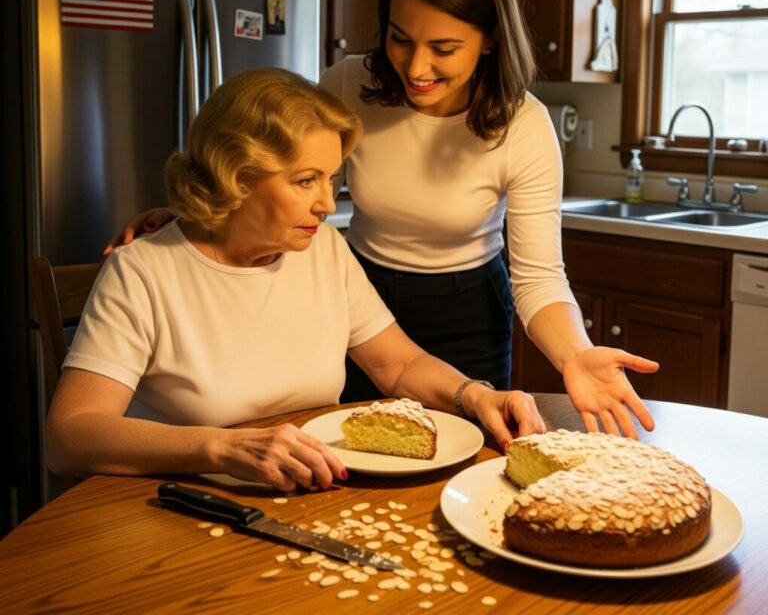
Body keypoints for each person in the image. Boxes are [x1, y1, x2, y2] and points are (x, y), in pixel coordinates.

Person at [104, 0, 659, 439]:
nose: (415, 67)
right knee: (351, 447)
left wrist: (574, 354)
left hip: (467, 308)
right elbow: (283, 176)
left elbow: (538, 277)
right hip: (360, 292)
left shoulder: (524, 125)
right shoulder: (351, 83)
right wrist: (201, 208)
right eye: (400, 39)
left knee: (470, 445)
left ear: (489, 40)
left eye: (443, 49)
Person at [47, 68, 545, 492]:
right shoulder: (142, 271)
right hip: (188, 503)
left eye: (332, 179)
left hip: (314, 491)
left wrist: (475, 396)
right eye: (306, 181)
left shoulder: (324, 250)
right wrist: (221, 447)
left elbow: (399, 364)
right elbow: (69, 437)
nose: (327, 204)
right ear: (236, 175)